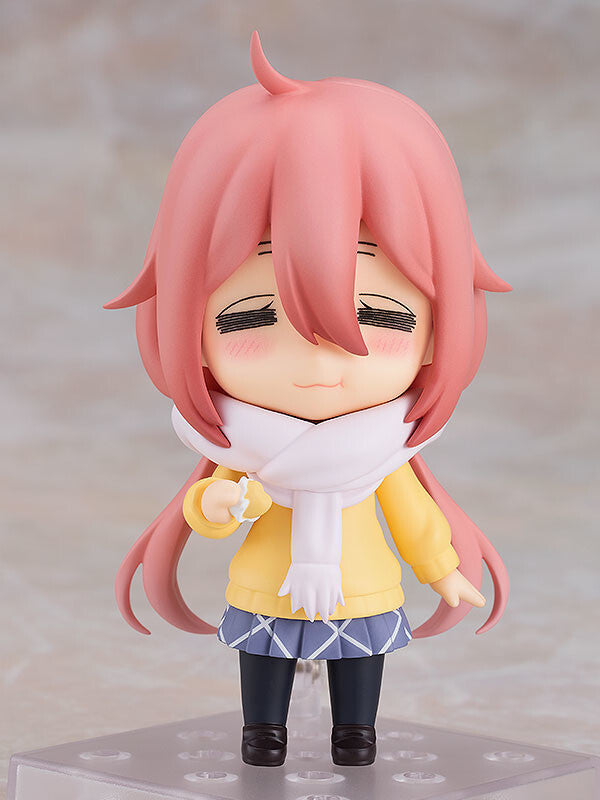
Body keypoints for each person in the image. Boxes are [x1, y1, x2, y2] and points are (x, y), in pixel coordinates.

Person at [105, 31, 510, 768]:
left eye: (381, 316)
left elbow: (412, 516)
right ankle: (262, 731)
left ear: (437, 330)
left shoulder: (382, 452)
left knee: (360, 664)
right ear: (189, 329)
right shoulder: (240, 449)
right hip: (267, 587)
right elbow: (209, 509)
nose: (324, 359)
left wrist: (441, 569)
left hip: (361, 589)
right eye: (248, 318)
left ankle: (357, 732)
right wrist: (219, 504)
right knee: (263, 662)